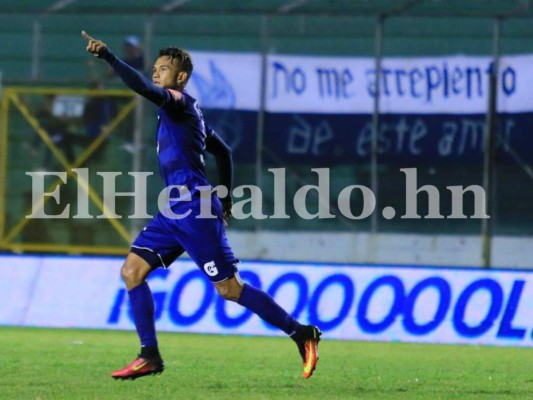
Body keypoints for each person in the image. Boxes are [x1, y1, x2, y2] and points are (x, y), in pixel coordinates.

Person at [81, 31, 321, 381]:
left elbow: (146, 91)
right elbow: (224, 152)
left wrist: (109, 58)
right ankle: (149, 355)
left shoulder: (177, 102)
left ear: (180, 77)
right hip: (174, 211)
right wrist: (225, 198)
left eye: (164, 69)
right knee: (132, 272)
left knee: (229, 289)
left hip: (194, 209)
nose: (156, 73)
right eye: (155, 68)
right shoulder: (185, 115)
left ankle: (301, 333)